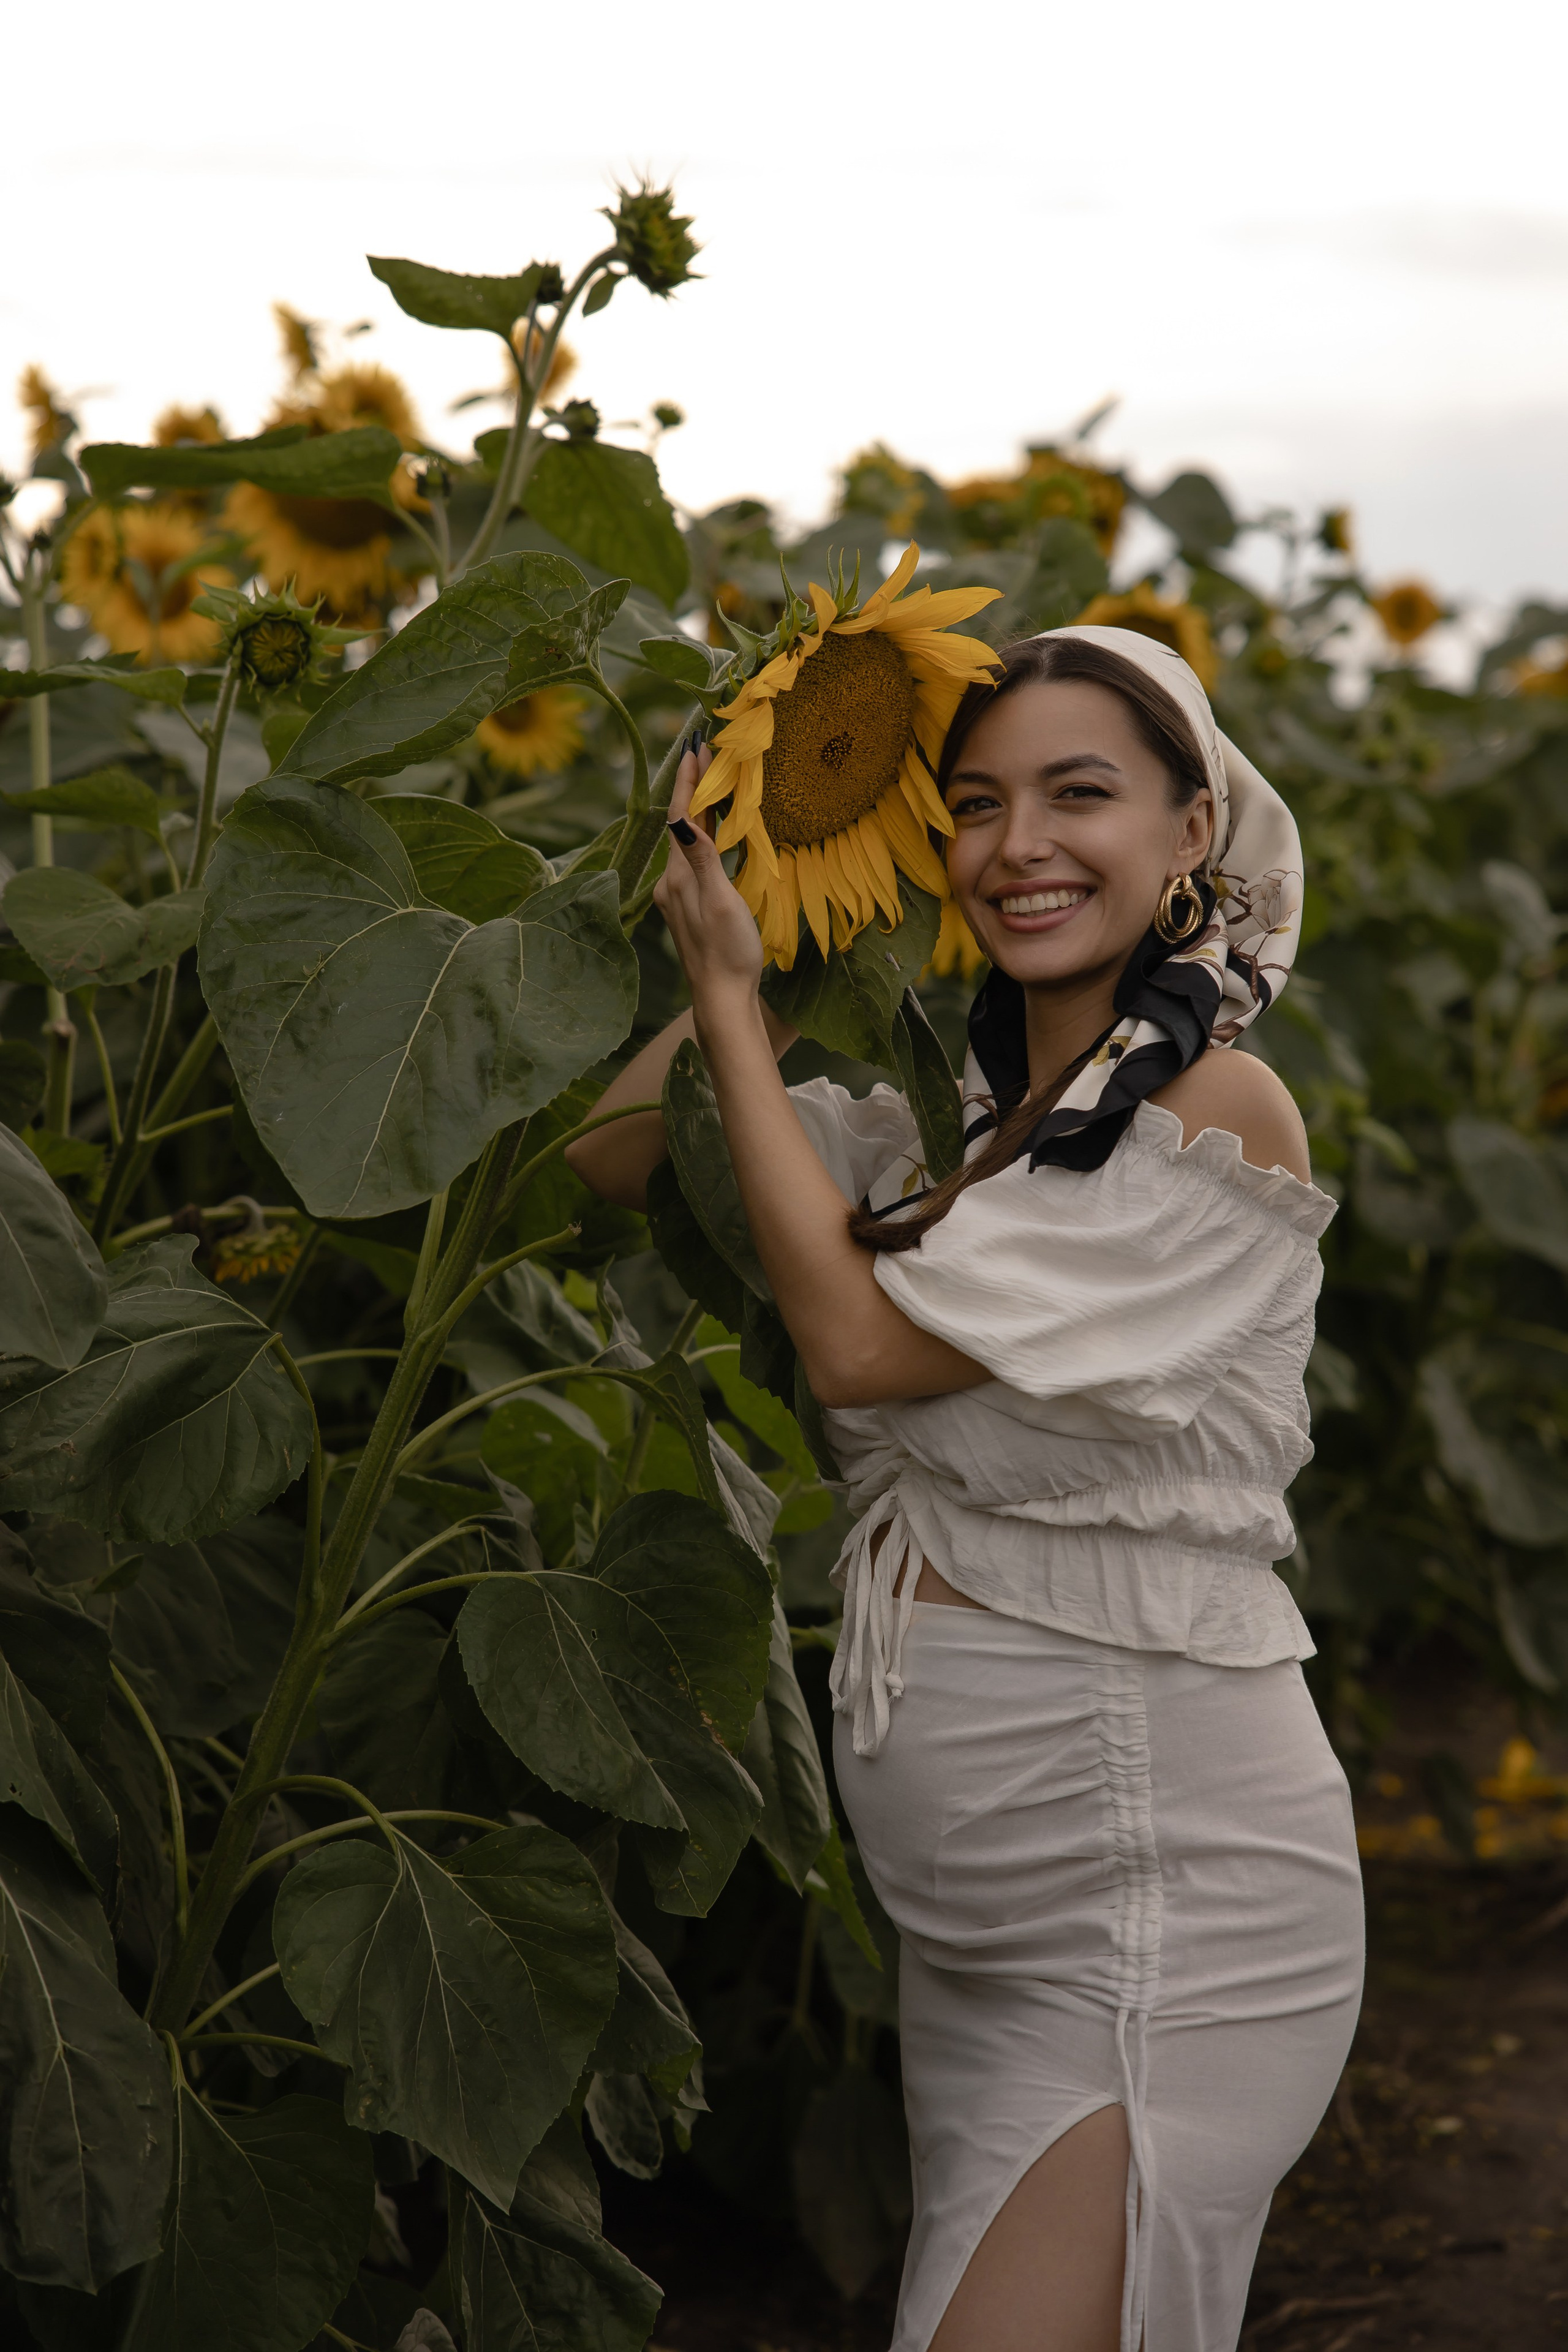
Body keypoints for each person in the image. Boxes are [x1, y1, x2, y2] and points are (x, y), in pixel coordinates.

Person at [568, 625, 1365, 2352]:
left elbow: (854, 1348)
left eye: (1082, 795)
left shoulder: (1219, 1118)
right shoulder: (950, 1141)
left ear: (1190, 838)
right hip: (992, 1950)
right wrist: (774, 903)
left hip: (1166, 1911)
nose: (1021, 847)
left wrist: (721, 1002)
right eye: (977, 804)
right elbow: (613, 1151)